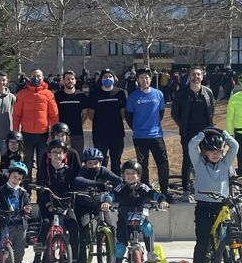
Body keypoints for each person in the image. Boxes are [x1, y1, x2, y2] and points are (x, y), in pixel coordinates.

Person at [185, 128, 239, 263]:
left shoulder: (224, 163)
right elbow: (191, 145)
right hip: (203, 207)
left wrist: (224, 133)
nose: (216, 154)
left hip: (220, 206)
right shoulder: (199, 163)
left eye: (219, 151)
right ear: (204, 152)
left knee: (226, 243)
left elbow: (235, 146)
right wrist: (202, 133)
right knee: (202, 243)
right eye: (211, 151)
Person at [102, 159, 168, 263]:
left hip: (140, 218)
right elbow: (111, 195)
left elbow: (154, 194)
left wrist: (162, 200)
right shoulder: (120, 187)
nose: (131, 176)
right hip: (124, 221)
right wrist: (107, 202)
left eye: (134, 173)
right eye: (127, 173)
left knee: (148, 228)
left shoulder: (143, 187)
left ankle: (150, 253)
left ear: (139, 175)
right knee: (120, 248)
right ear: (123, 175)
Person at [30, 139, 85, 263]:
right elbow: (40, 190)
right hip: (48, 205)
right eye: (54, 152)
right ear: (49, 155)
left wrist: (68, 207)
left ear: (65, 155)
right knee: (45, 225)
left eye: (60, 152)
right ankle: (36, 262)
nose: (57, 155)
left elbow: (73, 190)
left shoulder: (70, 172)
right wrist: (48, 205)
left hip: (65, 205)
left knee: (73, 226)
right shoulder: (44, 170)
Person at [125, 68, 173, 202]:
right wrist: (138, 128)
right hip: (140, 137)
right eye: (141, 78)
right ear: (138, 80)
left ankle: (164, 191)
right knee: (142, 165)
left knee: (163, 164)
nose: (144, 80)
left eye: (146, 77)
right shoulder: (133, 97)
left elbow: (161, 113)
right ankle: (145, 192)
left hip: (156, 136)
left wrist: (153, 126)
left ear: (150, 79)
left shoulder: (159, 94)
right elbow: (129, 116)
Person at [171, 66, 216, 202]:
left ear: (202, 76)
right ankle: (185, 190)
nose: (196, 77)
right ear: (189, 77)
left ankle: (207, 188)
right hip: (188, 131)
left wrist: (208, 128)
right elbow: (175, 113)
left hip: (206, 131)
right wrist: (183, 125)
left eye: (198, 74)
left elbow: (212, 110)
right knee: (188, 160)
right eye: (193, 74)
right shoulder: (181, 93)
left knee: (208, 159)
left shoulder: (208, 92)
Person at [74, 147, 122, 263]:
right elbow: (78, 180)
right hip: (83, 205)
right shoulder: (83, 171)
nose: (93, 165)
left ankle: (115, 259)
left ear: (101, 162)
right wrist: (97, 184)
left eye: (96, 162)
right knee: (83, 230)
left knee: (111, 227)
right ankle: (81, 260)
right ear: (85, 164)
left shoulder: (104, 171)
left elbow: (119, 181)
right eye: (90, 163)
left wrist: (121, 188)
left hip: (100, 204)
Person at [12, 68, 59, 182]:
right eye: (34, 75)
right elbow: (16, 115)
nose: (36, 78)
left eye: (38, 76)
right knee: (26, 165)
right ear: (29, 77)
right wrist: (16, 133)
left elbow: (54, 116)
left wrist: (53, 135)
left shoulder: (49, 94)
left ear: (43, 78)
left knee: (42, 165)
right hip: (26, 135)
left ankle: (41, 193)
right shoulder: (22, 94)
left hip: (43, 136)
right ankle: (26, 192)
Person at [84, 69, 127, 176]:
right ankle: (101, 183)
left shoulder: (120, 93)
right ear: (101, 79)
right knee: (100, 160)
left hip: (117, 133)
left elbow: (123, 113)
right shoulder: (95, 93)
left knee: (116, 161)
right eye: (105, 77)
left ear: (114, 78)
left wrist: (114, 122)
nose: (108, 79)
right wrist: (101, 122)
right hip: (100, 134)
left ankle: (116, 183)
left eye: (110, 77)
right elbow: (90, 114)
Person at [54, 70, 87, 154]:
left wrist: (79, 123)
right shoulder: (57, 96)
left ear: (75, 81)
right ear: (63, 80)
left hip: (77, 133)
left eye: (72, 79)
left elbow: (85, 113)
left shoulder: (81, 96)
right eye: (67, 79)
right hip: (61, 134)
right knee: (61, 157)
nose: (70, 81)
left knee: (77, 157)